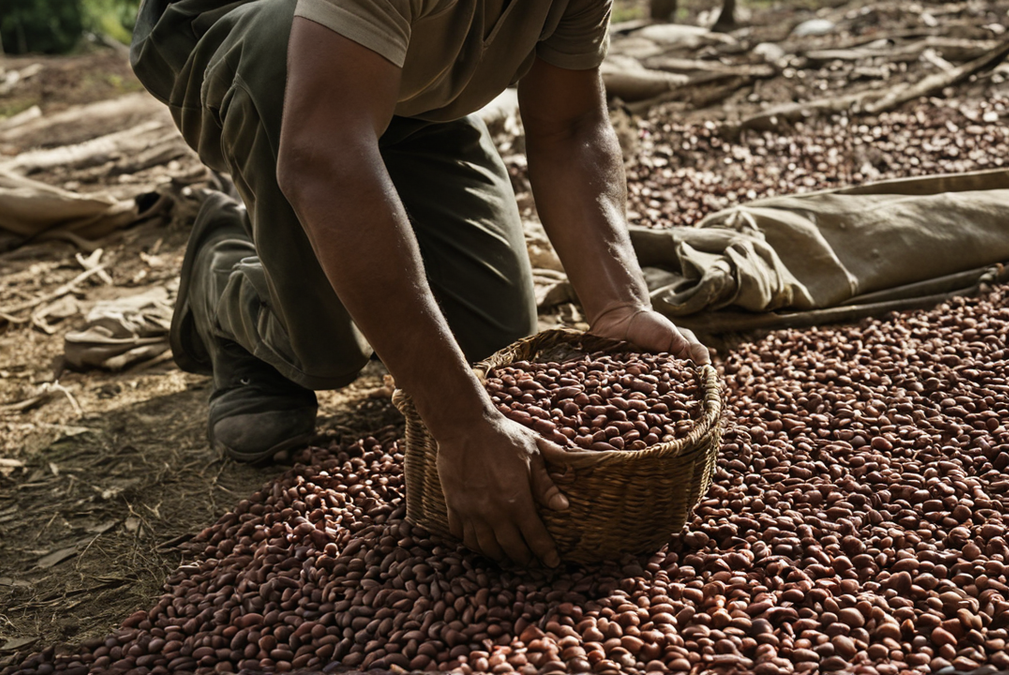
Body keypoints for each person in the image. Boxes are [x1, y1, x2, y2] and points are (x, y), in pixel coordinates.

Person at [129, 0, 710, 568]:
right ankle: (226, 274)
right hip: (245, 33)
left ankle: (364, 144)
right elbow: (320, 156)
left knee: (489, 350)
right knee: (332, 350)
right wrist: (461, 425)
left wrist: (619, 305)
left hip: (402, 74)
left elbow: (572, 126)